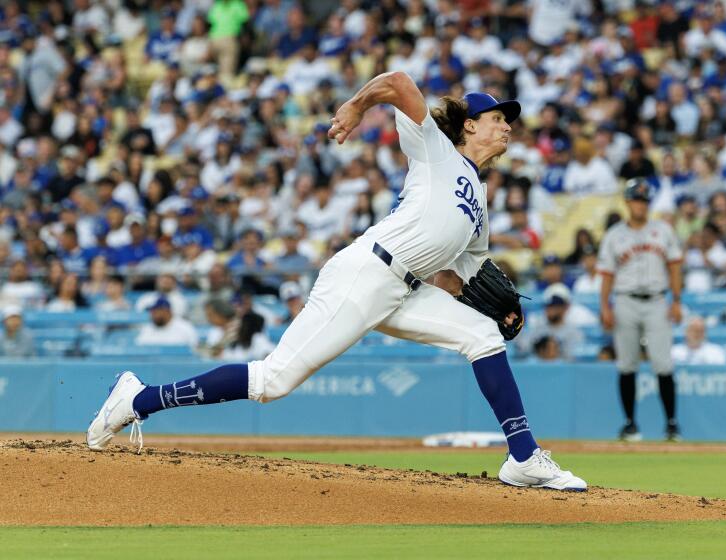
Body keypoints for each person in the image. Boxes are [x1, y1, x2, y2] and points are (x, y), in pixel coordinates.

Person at [86, 72, 587, 492]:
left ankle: (523, 457)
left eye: (509, 122)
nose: (507, 129)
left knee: (482, 335)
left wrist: (500, 306)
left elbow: (467, 272)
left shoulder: (478, 196)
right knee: (272, 381)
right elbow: (397, 82)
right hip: (365, 273)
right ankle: (138, 398)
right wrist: (355, 106)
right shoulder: (436, 149)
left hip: (403, 289)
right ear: (470, 125)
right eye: (499, 119)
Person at [598, 178, 683, 442]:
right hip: (625, 300)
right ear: (627, 201)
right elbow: (607, 274)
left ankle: (671, 424)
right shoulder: (614, 235)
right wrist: (604, 306)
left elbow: (675, 266)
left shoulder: (664, 230)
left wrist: (677, 300)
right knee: (627, 364)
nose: (640, 204)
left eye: (644, 200)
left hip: (657, 299)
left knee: (663, 363)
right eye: (636, 199)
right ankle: (630, 423)